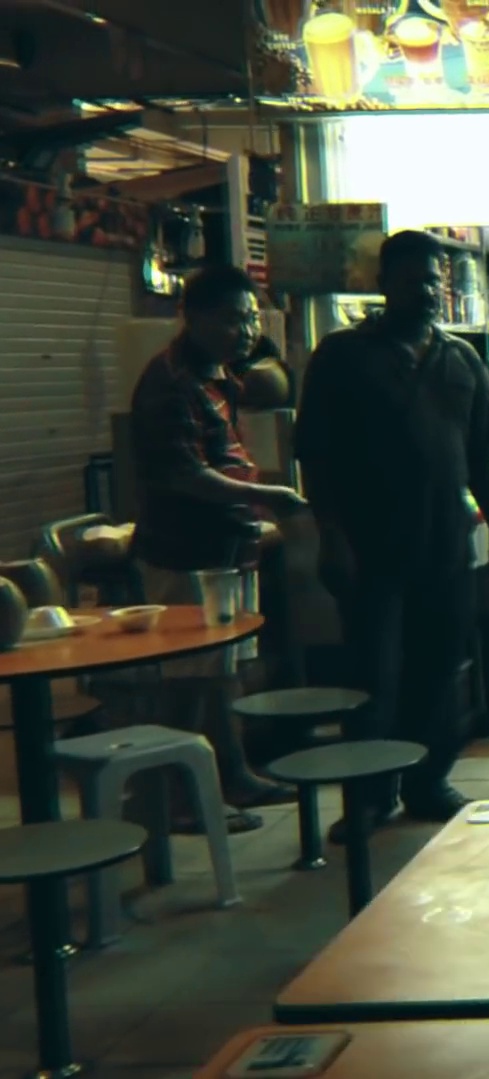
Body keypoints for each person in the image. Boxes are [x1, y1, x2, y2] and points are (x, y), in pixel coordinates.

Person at [295, 230, 489, 837]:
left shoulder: (460, 359)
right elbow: (316, 455)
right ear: (383, 284)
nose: (427, 291)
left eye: (434, 280)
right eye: (413, 281)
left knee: (438, 669)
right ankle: (368, 795)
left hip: (445, 545)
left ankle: (427, 781)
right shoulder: (342, 356)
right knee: (372, 677)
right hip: (370, 547)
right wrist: (331, 536)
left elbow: (482, 459)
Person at [129, 264, 307, 831]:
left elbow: (275, 380)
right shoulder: (170, 384)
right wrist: (266, 495)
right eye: (231, 319)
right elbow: (185, 475)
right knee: (189, 679)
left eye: (250, 318)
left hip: (227, 547)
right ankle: (180, 800)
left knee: (223, 672)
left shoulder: (220, 372)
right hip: (185, 553)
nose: (245, 330)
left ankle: (234, 774)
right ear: (193, 317)